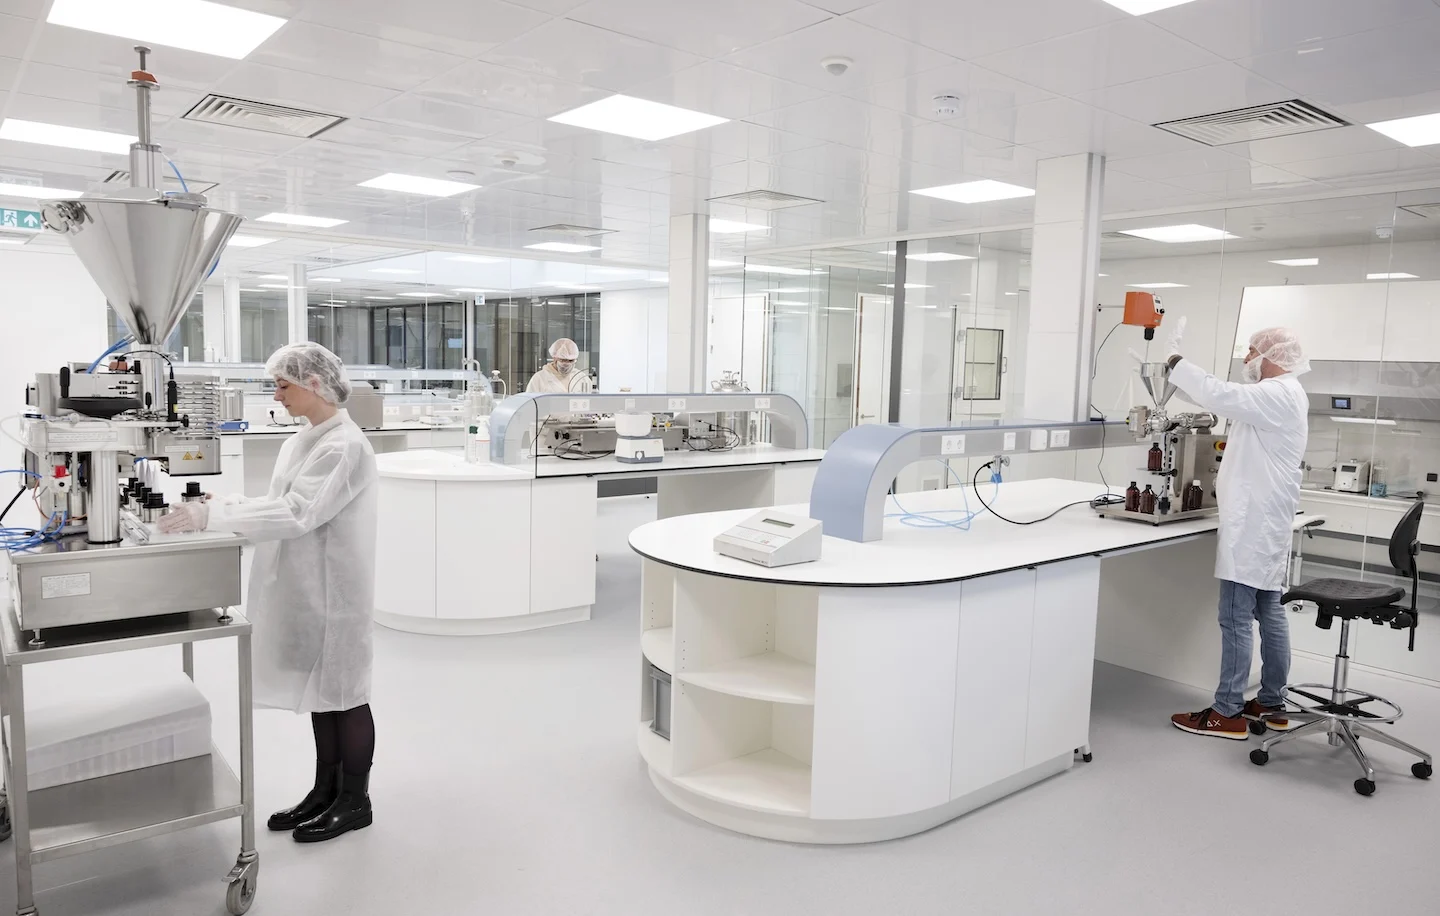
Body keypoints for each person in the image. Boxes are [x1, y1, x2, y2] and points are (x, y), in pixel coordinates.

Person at [159, 342, 380, 842]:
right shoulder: (302, 440)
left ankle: (355, 800)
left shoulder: (344, 445)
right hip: (306, 586)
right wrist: (227, 503)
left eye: (283, 384)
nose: (276, 394)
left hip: (336, 592)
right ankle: (325, 790)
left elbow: (297, 513)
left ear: (315, 384)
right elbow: (280, 501)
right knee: (322, 694)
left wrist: (214, 516)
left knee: (346, 694)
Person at [1163, 325, 1310, 740]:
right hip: (1266, 522)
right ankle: (1271, 702)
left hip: (1253, 525)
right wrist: (1186, 381)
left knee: (1235, 617)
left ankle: (1226, 711)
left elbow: (1223, 395)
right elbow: (1220, 399)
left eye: (1252, 351)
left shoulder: (1276, 393)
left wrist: (1177, 364)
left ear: (1274, 354)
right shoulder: (1284, 394)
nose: (1247, 359)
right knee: (1270, 611)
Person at [526, 337, 594, 394]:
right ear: (554, 358)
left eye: (571, 361)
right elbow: (530, 404)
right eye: (563, 360)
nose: (567, 364)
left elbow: (593, 401)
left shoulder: (582, 378)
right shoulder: (539, 378)